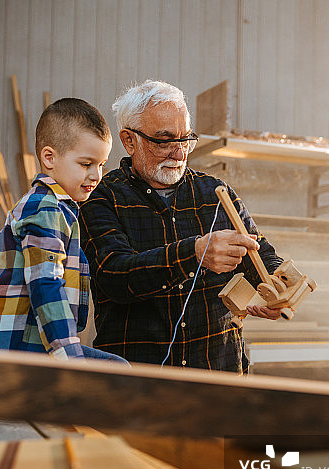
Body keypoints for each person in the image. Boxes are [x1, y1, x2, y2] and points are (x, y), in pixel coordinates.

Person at [80, 80, 283, 373]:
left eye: (185, 139)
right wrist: (194, 253)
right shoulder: (101, 197)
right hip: (139, 386)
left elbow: (260, 254)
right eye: (164, 140)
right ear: (129, 140)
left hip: (219, 375)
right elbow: (115, 275)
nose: (179, 152)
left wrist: (276, 285)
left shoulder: (215, 192)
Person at [0, 97, 127, 362]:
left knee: (114, 367)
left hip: (25, 340)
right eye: (85, 164)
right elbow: (45, 283)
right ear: (49, 158)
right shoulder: (46, 210)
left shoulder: (56, 207)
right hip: (14, 348)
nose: (96, 175)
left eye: (101, 164)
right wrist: (67, 353)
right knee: (116, 371)